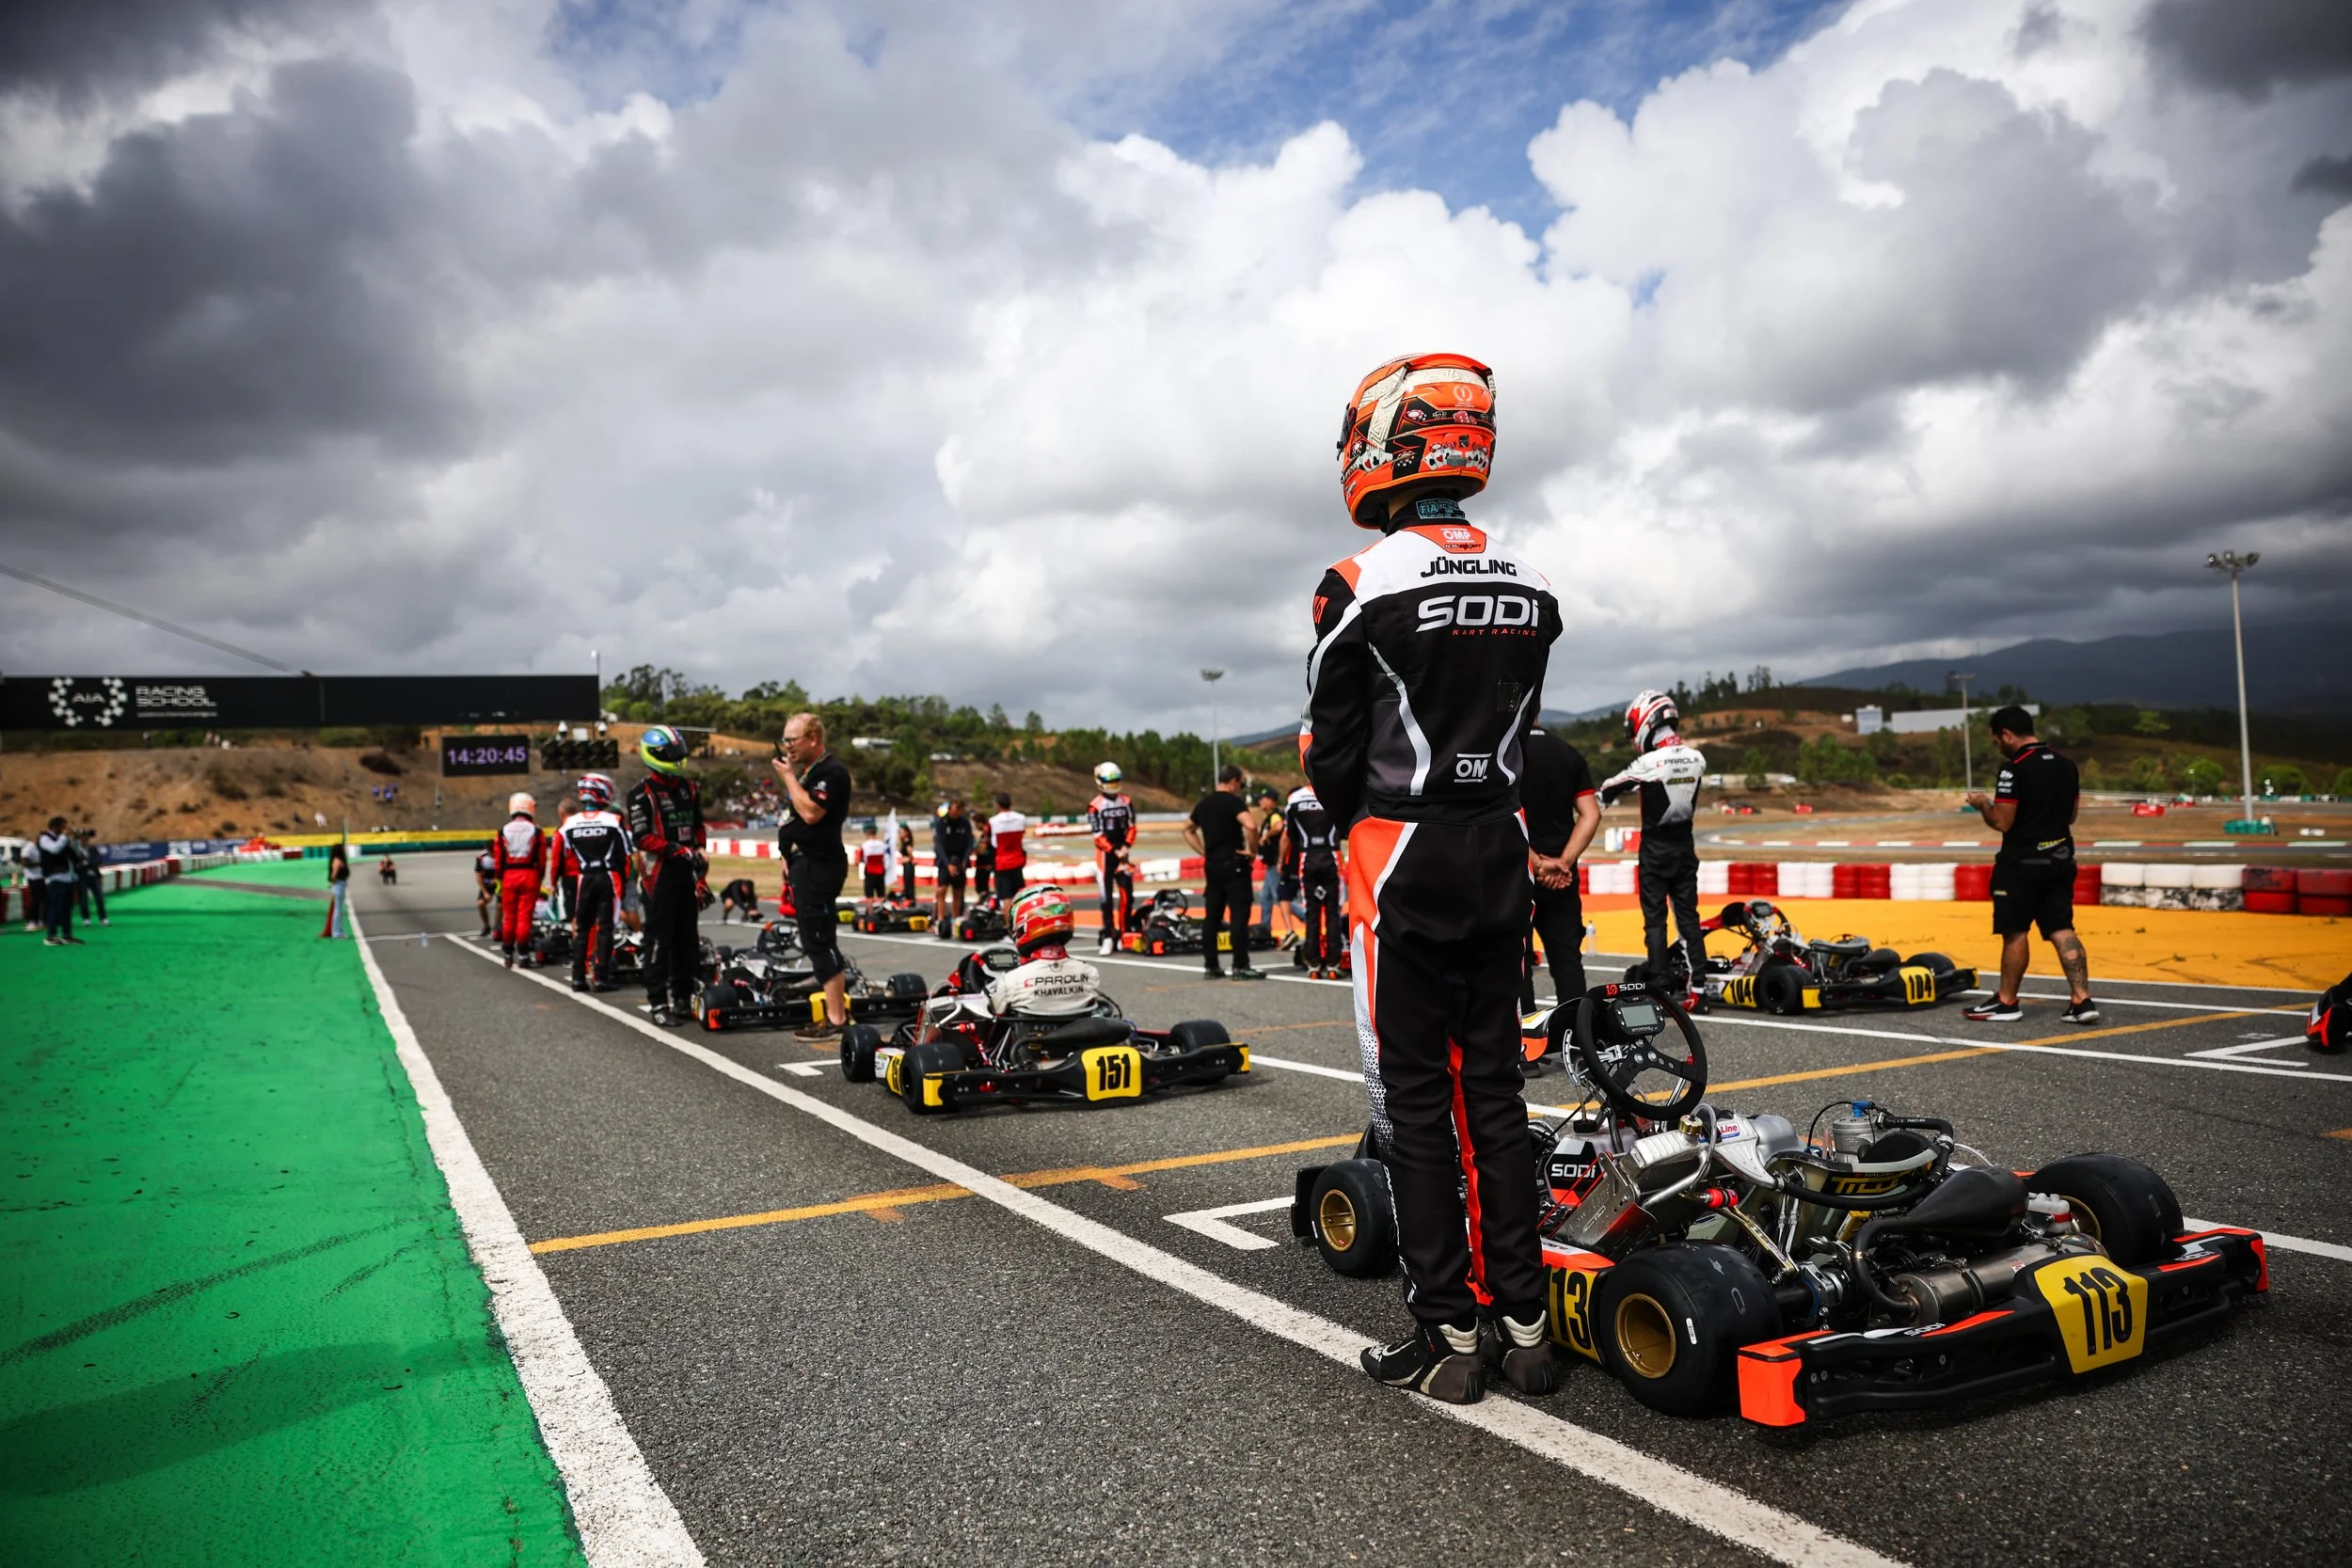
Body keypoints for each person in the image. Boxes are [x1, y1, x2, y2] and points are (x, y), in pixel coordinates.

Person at [1307, 351, 1561, 1403]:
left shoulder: (1356, 583)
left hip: (1396, 860)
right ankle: (1529, 1323)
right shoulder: (1532, 584)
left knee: (1415, 1106)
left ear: (1381, 447)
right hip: (1498, 850)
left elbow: (1330, 754)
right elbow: (1521, 727)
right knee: (1493, 1094)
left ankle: (1448, 1333)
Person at [1963, 706, 2098, 1025]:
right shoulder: (2067, 765)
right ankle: (2082, 999)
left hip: (2021, 864)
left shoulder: (2013, 769)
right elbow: (2071, 817)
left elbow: (2003, 822)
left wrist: (1983, 804)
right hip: (2061, 858)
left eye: (1997, 740)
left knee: (2015, 930)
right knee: (2062, 928)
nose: (1998, 746)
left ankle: (2007, 1001)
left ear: (2007, 734)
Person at [1598, 691, 1708, 1008]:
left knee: (1655, 919)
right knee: (1688, 916)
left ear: (1646, 720)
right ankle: (1698, 988)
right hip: (1685, 845)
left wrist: (1598, 803)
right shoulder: (1697, 758)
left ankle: (1660, 988)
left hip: (1656, 848)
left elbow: (1610, 786)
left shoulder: (1649, 762)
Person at [771, 712, 851, 1038]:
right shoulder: (809, 774)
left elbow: (810, 813)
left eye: (793, 740)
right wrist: (786, 855)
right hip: (805, 863)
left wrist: (788, 778)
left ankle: (836, 1020)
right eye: (785, 740)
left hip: (821, 864)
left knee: (819, 939)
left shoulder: (830, 772)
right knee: (811, 936)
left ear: (813, 739)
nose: (787, 746)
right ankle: (833, 1014)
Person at [1518, 722, 1602, 1015]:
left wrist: (1537, 863)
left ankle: (1524, 1047)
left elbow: (1499, 815)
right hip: (1563, 878)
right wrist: (1564, 862)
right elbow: (1591, 814)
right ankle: (1578, 1040)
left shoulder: (1504, 751)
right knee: (1567, 960)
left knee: (1518, 961)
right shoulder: (1569, 753)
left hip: (1518, 874)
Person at [627, 727, 708, 1023]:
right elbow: (641, 837)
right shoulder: (641, 794)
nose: (678, 758)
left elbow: (698, 824)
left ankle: (683, 998)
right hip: (658, 875)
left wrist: (699, 848)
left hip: (686, 871)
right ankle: (658, 1003)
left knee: (687, 938)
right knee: (659, 939)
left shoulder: (689, 788)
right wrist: (674, 849)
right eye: (671, 754)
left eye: (679, 752)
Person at [1185, 766, 1263, 980]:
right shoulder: (1233, 802)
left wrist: (1204, 851)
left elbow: (1187, 829)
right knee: (1239, 916)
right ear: (1232, 782)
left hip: (1213, 866)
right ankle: (1240, 965)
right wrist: (1252, 851)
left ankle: (1211, 965)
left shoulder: (1204, 804)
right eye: (1239, 783)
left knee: (1212, 917)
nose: (1238, 788)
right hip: (1234, 864)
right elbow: (1251, 825)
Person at [982, 885, 1104, 1017]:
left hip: (1028, 1036)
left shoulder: (1011, 981)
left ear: (1024, 922)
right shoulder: (1090, 974)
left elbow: (995, 1014)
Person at [561, 773, 632, 993]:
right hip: (608, 878)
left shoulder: (569, 824)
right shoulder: (614, 821)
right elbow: (625, 856)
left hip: (584, 878)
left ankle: (578, 977)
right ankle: (601, 977)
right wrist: (623, 878)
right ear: (602, 792)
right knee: (605, 928)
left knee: (582, 928)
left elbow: (565, 853)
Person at [1282, 784, 1343, 978]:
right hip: (1331, 856)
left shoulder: (1295, 799)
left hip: (1307, 858)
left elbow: (1288, 836)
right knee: (1333, 911)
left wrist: (1279, 861)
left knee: (1312, 912)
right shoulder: (1336, 793)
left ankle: (1314, 965)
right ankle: (1333, 965)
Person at [489, 792, 547, 969]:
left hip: (509, 876)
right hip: (529, 874)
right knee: (524, 918)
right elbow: (542, 859)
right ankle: (523, 955)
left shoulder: (503, 831)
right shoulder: (536, 831)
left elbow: (498, 860)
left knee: (510, 917)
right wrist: (539, 877)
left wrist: (499, 877)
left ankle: (507, 953)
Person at [1088, 763, 1136, 956]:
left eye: (1116, 780)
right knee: (1106, 899)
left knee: (1127, 896)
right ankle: (1108, 935)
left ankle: (1124, 935)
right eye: (1110, 781)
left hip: (1123, 855)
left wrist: (1126, 846)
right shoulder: (1094, 806)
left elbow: (1132, 826)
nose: (1113, 784)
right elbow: (1097, 834)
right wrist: (1113, 849)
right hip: (1105, 857)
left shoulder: (1126, 801)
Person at [932, 798, 974, 936]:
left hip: (960, 860)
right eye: (953, 810)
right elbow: (939, 845)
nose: (955, 814)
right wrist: (947, 863)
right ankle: (940, 919)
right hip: (945, 861)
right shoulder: (941, 823)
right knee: (941, 890)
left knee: (958, 891)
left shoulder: (965, 824)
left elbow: (969, 843)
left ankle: (955, 920)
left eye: (958, 811)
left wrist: (965, 860)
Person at [37, 817, 82, 946]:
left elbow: (73, 853)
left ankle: (67, 935)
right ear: (54, 826)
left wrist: (75, 839)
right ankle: (51, 936)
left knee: (67, 907)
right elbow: (54, 849)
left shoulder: (62, 839)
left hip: (68, 877)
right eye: (63, 827)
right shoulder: (44, 838)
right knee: (55, 907)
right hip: (55, 877)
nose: (64, 830)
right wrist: (64, 837)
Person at [1250, 785, 1286, 940]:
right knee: (1265, 896)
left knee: (1279, 897)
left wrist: (1266, 836)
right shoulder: (1268, 817)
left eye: (1263, 799)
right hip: (1270, 863)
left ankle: (1304, 917)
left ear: (1271, 801)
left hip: (1275, 863)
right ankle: (1265, 927)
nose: (1260, 802)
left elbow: (1279, 827)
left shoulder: (1275, 816)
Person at [986, 792, 1027, 903]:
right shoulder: (1021, 818)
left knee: (1006, 898)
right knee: (1019, 896)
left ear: (998, 804)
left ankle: (1008, 920)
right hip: (1017, 861)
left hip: (1002, 863)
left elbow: (991, 841)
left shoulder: (993, 821)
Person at [73, 829, 109, 926]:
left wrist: (86, 863)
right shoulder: (76, 851)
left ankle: (103, 918)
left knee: (99, 898)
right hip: (82, 877)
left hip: (93, 876)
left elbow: (98, 860)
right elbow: (76, 864)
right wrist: (87, 863)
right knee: (83, 899)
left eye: (86, 839)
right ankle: (86, 919)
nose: (84, 841)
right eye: (82, 839)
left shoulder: (93, 849)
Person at [323, 841, 351, 941]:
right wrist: (332, 883)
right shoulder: (337, 861)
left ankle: (338, 931)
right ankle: (336, 932)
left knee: (338, 910)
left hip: (340, 885)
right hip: (338, 885)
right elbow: (333, 874)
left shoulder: (338, 860)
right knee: (338, 910)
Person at [473, 843, 500, 938]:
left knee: (500, 905)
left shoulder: (503, 855)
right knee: (480, 904)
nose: (493, 854)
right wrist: (485, 892)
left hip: (501, 881)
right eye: (491, 852)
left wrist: (496, 880)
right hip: (487, 884)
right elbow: (478, 875)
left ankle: (498, 927)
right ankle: (486, 926)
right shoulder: (481, 857)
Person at [858, 826, 890, 900]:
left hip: (870, 871)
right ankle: (882, 909)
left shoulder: (865, 845)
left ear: (867, 834)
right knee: (881, 893)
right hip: (880, 871)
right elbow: (886, 858)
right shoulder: (882, 844)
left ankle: (870, 911)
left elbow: (861, 858)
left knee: (869, 895)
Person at [897, 818, 918, 902]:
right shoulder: (905, 842)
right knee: (907, 883)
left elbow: (910, 852)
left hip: (908, 865)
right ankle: (909, 899)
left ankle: (910, 900)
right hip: (906, 865)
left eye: (901, 832)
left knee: (909, 884)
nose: (900, 834)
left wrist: (910, 859)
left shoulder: (907, 842)